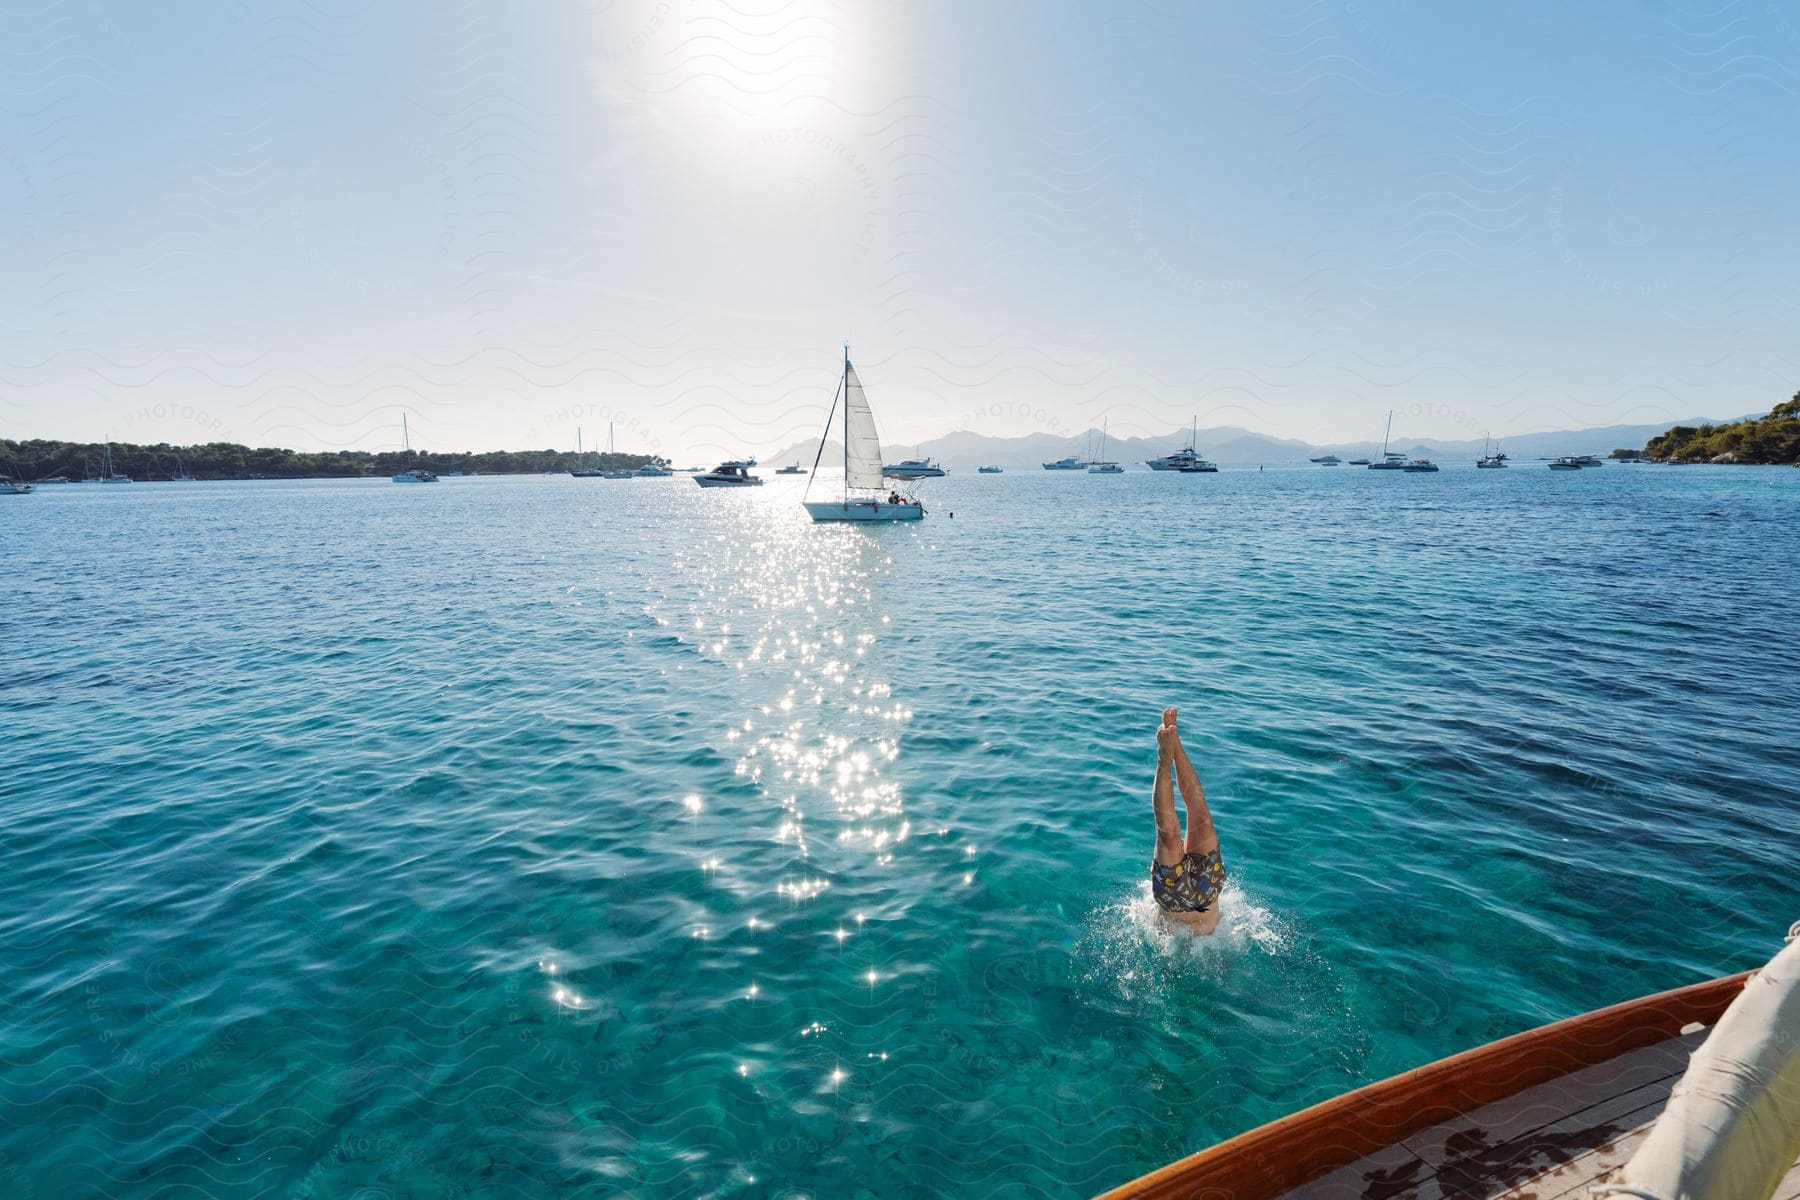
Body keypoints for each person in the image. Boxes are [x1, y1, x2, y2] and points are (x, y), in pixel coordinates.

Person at [1150, 707, 1226, 934]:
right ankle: (1165, 757)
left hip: (1201, 896)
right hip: (1179, 899)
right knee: (1169, 833)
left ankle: (1174, 744)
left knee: (1200, 817)